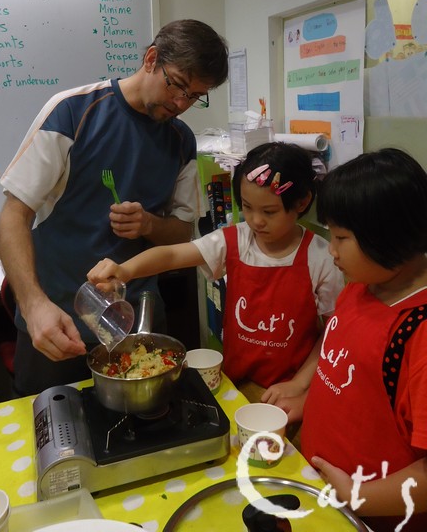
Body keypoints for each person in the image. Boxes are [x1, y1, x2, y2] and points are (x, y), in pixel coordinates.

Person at [0, 19, 228, 396]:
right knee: (53, 422)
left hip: (138, 326)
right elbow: (13, 216)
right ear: (151, 59)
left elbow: (182, 231)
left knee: (144, 423)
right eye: (177, 85)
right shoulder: (73, 112)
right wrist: (34, 305)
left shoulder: (182, 140)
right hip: (56, 323)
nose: (181, 104)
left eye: (195, 96)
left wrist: (149, 224)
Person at [87, 141, 344, 421]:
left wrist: (300, 384)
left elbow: (333, 334)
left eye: (269, 212)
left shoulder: (321, 257)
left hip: (289, 391)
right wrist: (125, 270)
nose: (256, 220)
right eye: (247, 207)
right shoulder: (235, 240)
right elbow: (172, 255)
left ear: (302, 203)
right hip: (235, 379)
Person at [301, 148, 427, 532]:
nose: (332, 250)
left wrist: (359, 496)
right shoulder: (361, 286)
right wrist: (302, 399)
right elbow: (346, 370)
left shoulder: (417, 332)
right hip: (323, 495)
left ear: (391, 236)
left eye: (341, 237)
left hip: (374, 516)